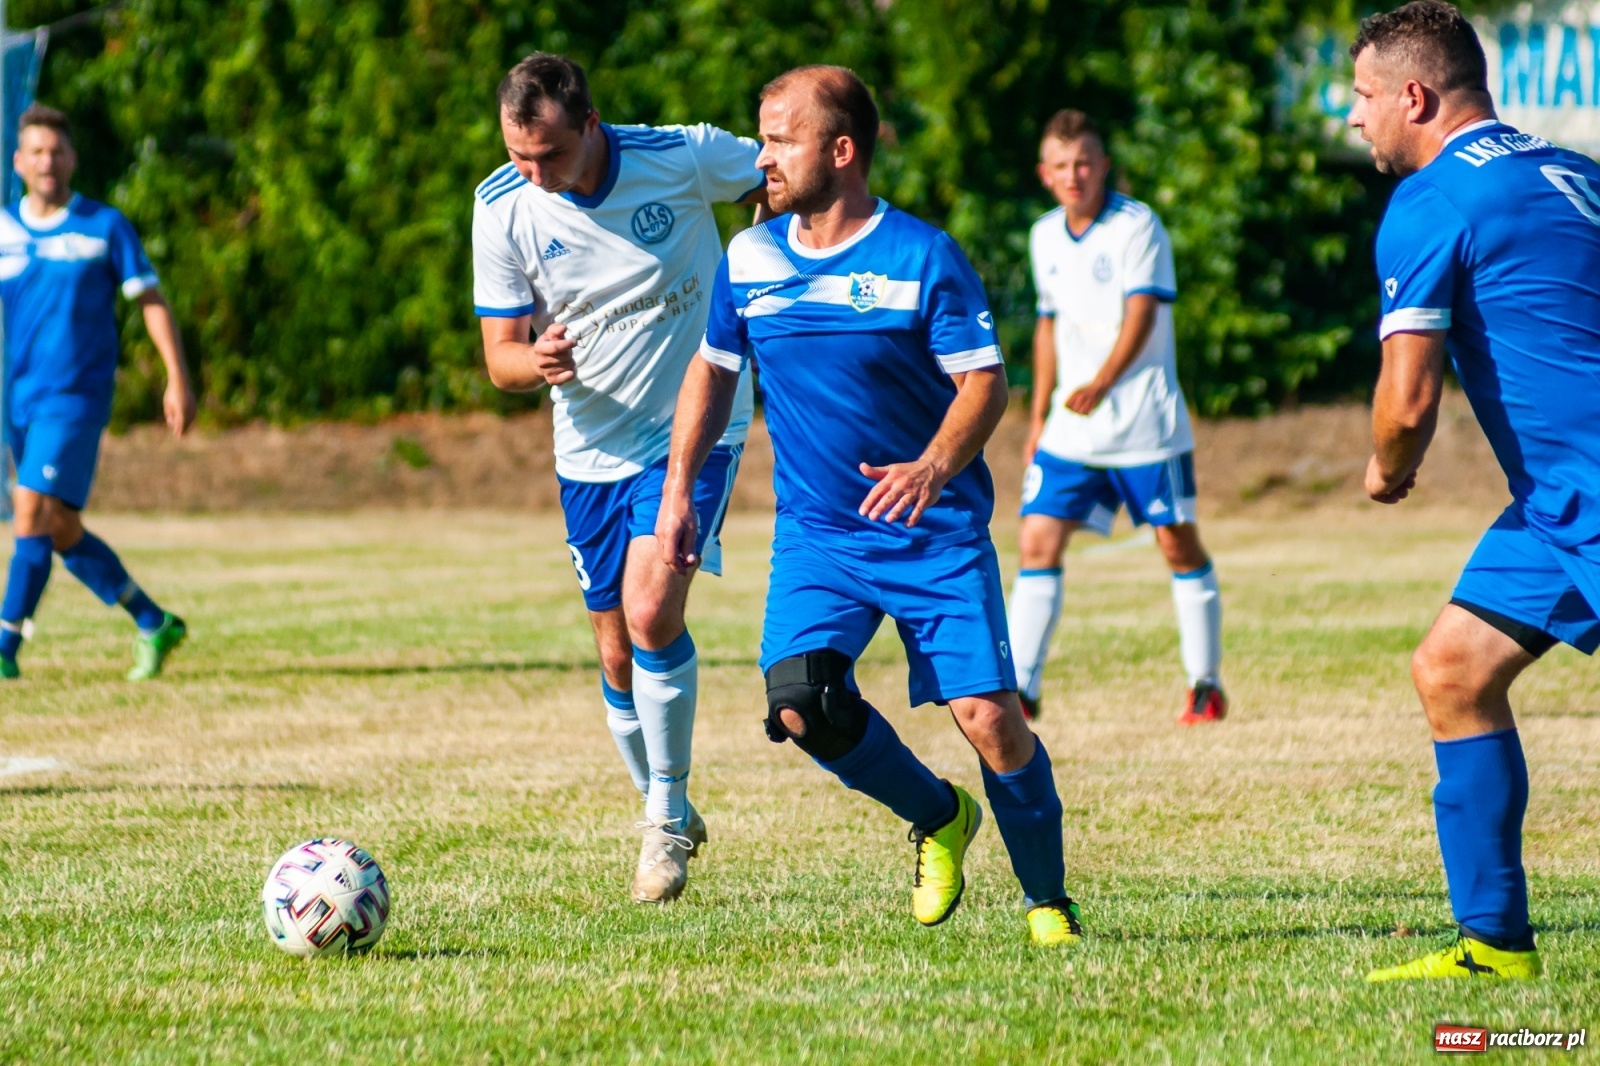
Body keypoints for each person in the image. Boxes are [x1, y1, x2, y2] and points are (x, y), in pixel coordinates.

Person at [658, 65, 1084, 946]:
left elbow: (985, 385)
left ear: (842, 151)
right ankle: (938, 816)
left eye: (781, 138)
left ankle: (1048, 902)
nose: (762, 156)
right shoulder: (751, 258)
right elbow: (712, 370)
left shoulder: (921, 256)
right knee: (800, 702)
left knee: (992, 723)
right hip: (820, 535)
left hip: (933, 531)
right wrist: (679, 494)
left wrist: (933, 465)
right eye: (762, 136)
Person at [472, 53, 764, 903]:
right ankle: (664, 799)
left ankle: (663, 824)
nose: (536, 175)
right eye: (520, 156)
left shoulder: (680, 156)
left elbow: (780, 177)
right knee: (614, 649)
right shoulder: (503, 207)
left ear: (592, 125)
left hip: (696, 427)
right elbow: (499, 360)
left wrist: (761, 265)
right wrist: (537, 360)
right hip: (587, 447)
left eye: (551, 155)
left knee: (650, 611)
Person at [1350, 1, 1600, 981]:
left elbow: (1407, 400)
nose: (1356, 118)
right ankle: (1494, 948)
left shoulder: (1429, 203)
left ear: (1414, 96)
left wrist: (1384, 469)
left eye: (1365, 97)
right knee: (1453, 670)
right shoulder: (1568, 171)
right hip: (1556, 501)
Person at [1005, 110, 1225, 727]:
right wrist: (1039, 415)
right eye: (1062, 166)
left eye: (1085, 163)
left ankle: (1204, 683)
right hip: (1072, 427)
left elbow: (1143, 314)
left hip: (1142, 422)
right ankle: (1022, 687)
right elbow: (1048, 326)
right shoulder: (1044, 234)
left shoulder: (1137, 225)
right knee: (1036, 539)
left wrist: (1101, 382)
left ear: (1103, 167)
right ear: (1045, 174)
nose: (1074, 176)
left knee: (1175, 543)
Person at [0, 104, 193, 682]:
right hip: (19, 400)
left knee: (29, 510)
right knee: (56, 526)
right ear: (19, 161)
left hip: (76, 399)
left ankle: (5, 645)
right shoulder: (4, 229)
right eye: (35, 151)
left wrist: (176, 376)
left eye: (56, 150)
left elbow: (150, 300)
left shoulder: (102, 226)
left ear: (72, 159)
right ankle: (152, 620)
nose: (47, 161)